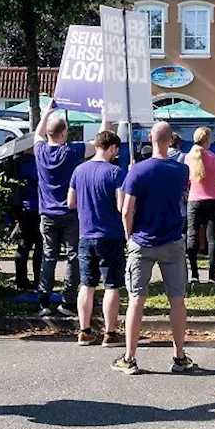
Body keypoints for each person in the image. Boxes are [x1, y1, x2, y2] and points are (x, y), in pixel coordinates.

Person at [115, 122, 196, 375]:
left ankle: (130, 358)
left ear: (149, 138)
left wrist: (129, 236)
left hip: (142, 240)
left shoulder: (137, 171)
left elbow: (127, 210)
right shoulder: (181, 170)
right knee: (177, 300)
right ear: (171, 139)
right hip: (172, 239)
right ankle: (179, 356)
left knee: (136, 299)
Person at [35, 103, 108, 317]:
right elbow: (98, 144)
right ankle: (67, 302)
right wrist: (104, 117)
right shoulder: (72, 151)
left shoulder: (39, 151)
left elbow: (38, 134)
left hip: (46, 214)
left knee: (48, 256)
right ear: (64, 133)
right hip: (71, 212)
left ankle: (44, 301)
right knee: (73, 256)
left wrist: (47, 112)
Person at [67, 130, 126, 347]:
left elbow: (70, 202)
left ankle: (84, 331)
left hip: (86, 234)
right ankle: (110, 333)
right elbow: (121, 206)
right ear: (111, 147)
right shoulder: (116, 172)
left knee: (87, 284)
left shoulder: (79, 170)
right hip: (110, 234)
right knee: (111, 285)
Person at [185, 127, 215, 283]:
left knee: (192, 236)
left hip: (194, 200)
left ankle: (194, 274)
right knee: (212, 238)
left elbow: (186, 182)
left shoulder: (189, 157)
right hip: (213, 199)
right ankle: (212, 275)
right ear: (207, 140)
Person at [11, 147, 42, 291]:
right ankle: (39, 281)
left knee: (24, 245)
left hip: (22, 208)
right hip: (37, 208)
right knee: (40, 246)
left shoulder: (16, 163)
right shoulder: (34, 164)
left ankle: (21, 281)